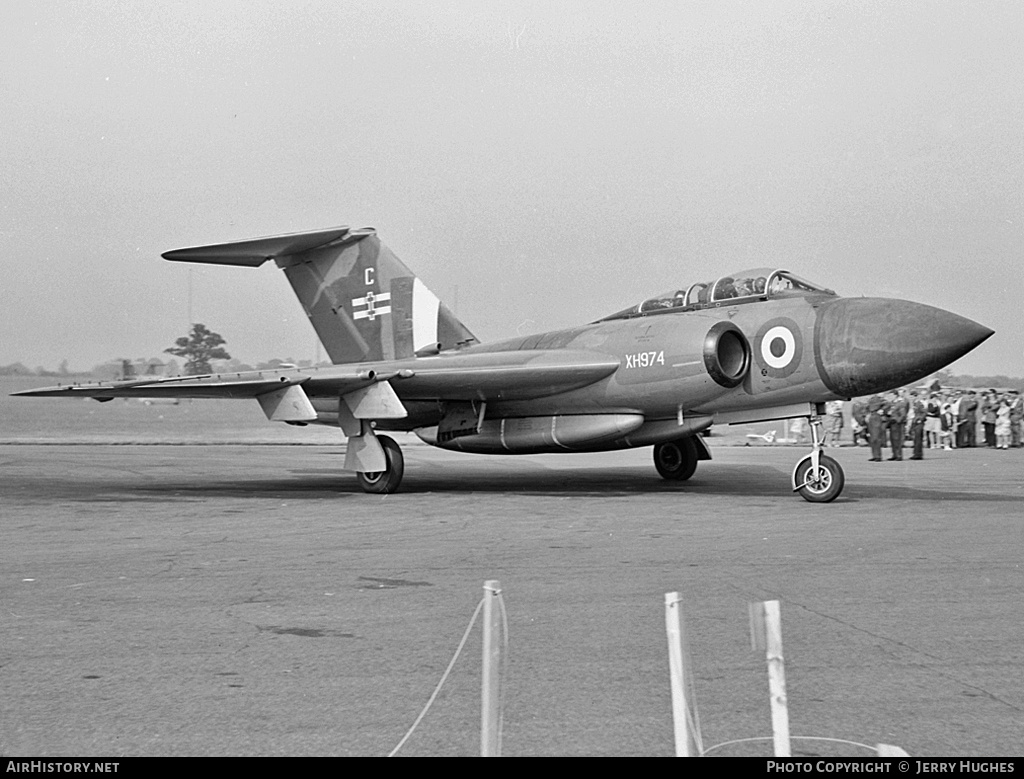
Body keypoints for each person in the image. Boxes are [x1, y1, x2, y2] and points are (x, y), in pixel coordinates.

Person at [887, 390, 909, 461]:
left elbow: (903, 414)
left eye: (891, 395)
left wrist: (898, 421)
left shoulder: (900, 403)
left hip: (897, 423)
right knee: (892, 439)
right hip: (892, 423)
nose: (890, 397)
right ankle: (894, 454)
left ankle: (899, 455)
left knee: (897, 439)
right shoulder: (892, 403)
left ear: (895, 395)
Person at [866, 394, 886, 462]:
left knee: (876, 437)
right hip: (871, 416)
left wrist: (882, 410)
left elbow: (888, 404)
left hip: (876, 416)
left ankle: (878, 456)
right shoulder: (871, 398)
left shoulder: (880, 399)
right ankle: (874, 455)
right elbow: (867, 407)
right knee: (872, 438)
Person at [908, 391, 926, 460]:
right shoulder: (914, 404)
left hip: (918, 423)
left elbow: (924, 412)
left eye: (912, 397)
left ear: (915, 396)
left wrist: (920, 419)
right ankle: (916, 453)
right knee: (915, 439)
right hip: (914, 422)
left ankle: (918, 454)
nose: (911, 398)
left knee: (918, 439)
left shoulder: (919, 404)